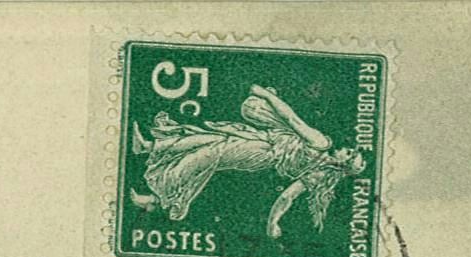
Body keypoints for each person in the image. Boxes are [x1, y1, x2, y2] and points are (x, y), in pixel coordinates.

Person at [128, 84, 368, 239]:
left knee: (209, 154)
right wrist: (273, 223)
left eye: (349, 155)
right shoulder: (319, 174)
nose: (345, 150)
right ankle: (149, 146)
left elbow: (292, 120)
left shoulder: (321, 143)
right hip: (262, 143)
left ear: (342, 164)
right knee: (210, 139)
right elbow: (287, 196)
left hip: (262, 150)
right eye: (350, 150)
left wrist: (265, 95)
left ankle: (157, 198)